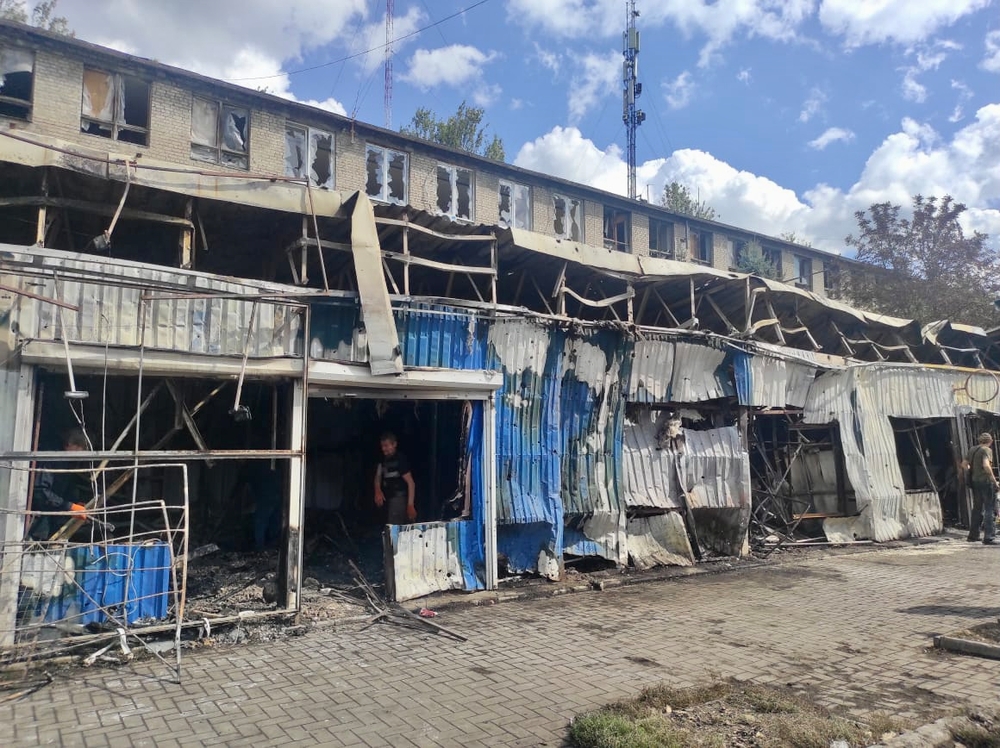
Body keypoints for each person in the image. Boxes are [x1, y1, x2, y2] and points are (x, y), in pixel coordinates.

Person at [27, 428, 91, 541]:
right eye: (79, 450)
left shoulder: (67, 463)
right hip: (36, 521)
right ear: (69, 444)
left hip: (52, 521)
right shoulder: (51, 458)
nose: (80, 457)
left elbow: (65, 489)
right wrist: (69, 507)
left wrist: (75, 504)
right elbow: (40, 491)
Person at [963, 432, 999, 545]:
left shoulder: (972, 450)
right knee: (989, 508)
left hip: (975, 482)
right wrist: (995, 481)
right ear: (990, 441)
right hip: (986, 482)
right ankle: (989, 537)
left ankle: (973, 535)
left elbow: (964, 464)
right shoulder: (986, 450)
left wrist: (973, 471)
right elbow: (986, 466)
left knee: (977, 508)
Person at [374, 432, 416, 525]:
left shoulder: (400, 459)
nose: (384, 449)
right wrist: (377, 490)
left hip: (398, 498)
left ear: (394, 444)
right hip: (387, 499)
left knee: (395, 526)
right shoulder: (382, 459)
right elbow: (378, 476)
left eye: (386, 446)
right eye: (382, 446)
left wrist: (410, 505)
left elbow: (411, 483)